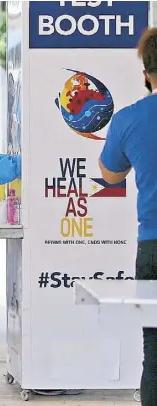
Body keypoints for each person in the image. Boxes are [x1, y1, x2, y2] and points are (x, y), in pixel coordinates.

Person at [98, 27, 157, 406]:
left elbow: (110, 175)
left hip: (153, 246)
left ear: (146, 75)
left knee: (154, 351)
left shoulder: (130, 119)